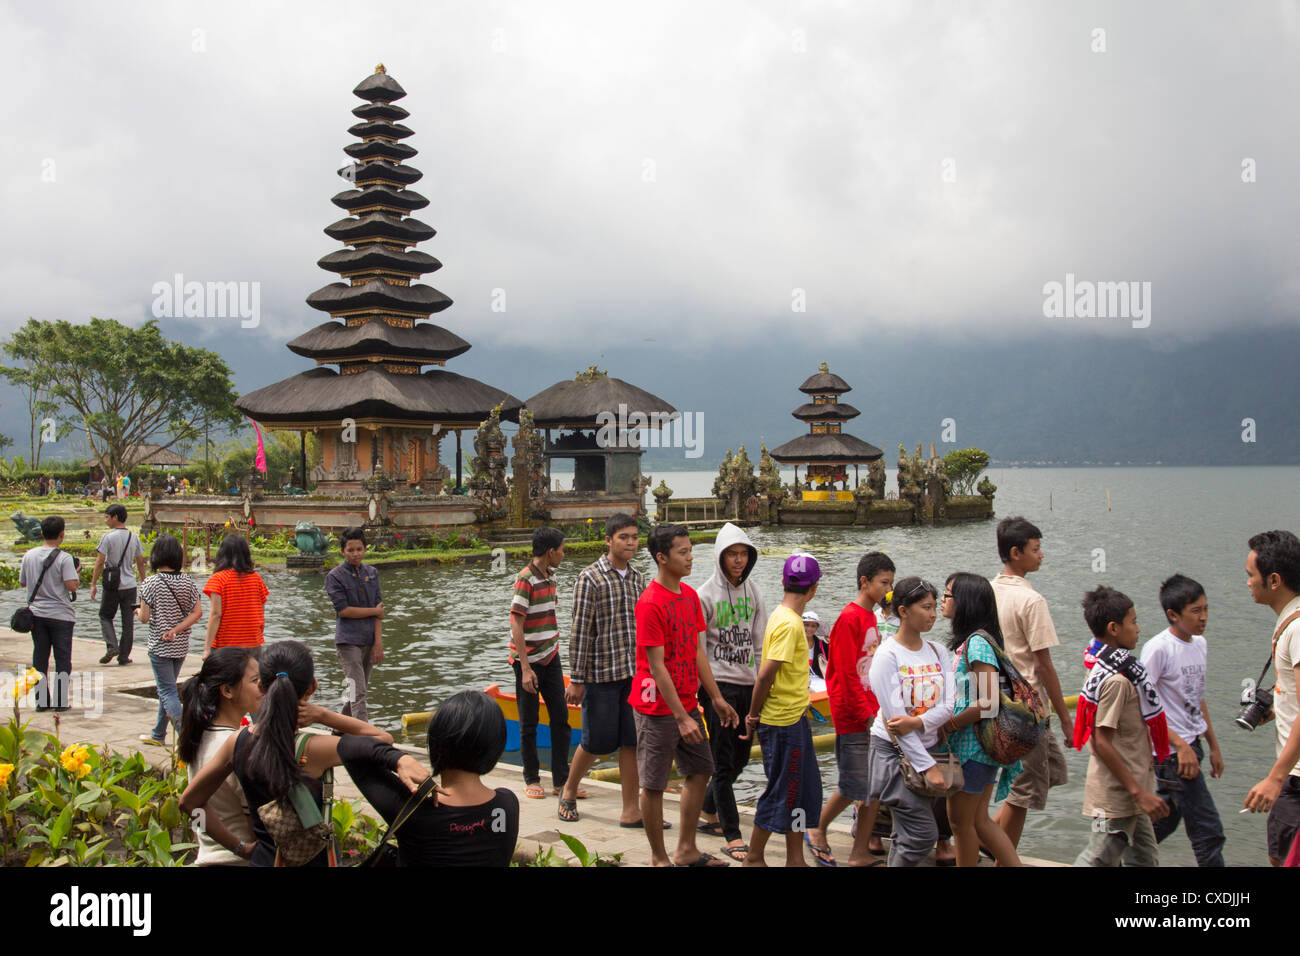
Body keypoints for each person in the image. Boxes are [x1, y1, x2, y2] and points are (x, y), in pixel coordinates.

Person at [180, 640, 428, 867]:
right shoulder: (314, 748)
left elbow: (189, 803)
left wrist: (241, 848)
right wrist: (323, 715)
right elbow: (381, 740)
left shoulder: (236, 741)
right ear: (313, 687)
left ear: (265, 688)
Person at [630, 523, 738, 866]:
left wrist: (716, 697)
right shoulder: (650, 603)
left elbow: (697, 651)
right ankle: (659, 856)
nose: (691, 558)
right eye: (683, 552)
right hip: (656, 707)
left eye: (690, 551)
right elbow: (656, 666)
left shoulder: (690, 596)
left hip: (688, 702)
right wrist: (679, 716)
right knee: (654, 783)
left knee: (701, 769)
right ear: (662, 558)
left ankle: (686, 847)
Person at [342, 690, 520, 866]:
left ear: (436, 744)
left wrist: (397, 758)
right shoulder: (507, 805)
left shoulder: (412, 811)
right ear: (495, 748)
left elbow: (347, 746)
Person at [807, 551, 894, 867]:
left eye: (891, 583)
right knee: (856, 784)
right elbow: (843, 675)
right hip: (851, 715)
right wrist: (865, 715)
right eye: (884, 582)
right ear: (865, 581)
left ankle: (856, 849)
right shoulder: (850, 618)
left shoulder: (871, 617)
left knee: (871, 786)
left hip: (870, 712)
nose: (888, 590)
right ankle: (818, 826)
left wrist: (878, 709)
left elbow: (868, 671)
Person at [990, 516, 1072, 848]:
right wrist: (1066, 718)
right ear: (1016, 553)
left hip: (999, 701)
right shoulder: (1032, 601)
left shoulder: (988, 590)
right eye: (1035, 549)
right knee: (1025, 790)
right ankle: (1001, 853)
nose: (1041, 555)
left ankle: (990, 834)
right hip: (1028, 707)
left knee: (1051, 770)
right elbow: (1044, 664)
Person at [1073, 585, 1169, 866]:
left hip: (1132, 791)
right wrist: (1138, 792)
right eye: (1134, 621)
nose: (1138, 629)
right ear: (1114, 628)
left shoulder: (1104, 666)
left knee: (1145, 860)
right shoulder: (1116, 680)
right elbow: (1101, 741)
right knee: (1098, 858)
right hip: (1118, 795)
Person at [558, 513, 645, 825]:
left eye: (634, 537)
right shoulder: (590, 577)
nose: (630, 542)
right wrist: (577, 679)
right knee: (594, 741)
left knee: (631, 741)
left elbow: (642, 628)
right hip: (600, 674)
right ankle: (568, 790)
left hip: (632, 674)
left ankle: (631, 809)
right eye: (623, 537)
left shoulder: (637, 578)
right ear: (608, 540)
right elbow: (580, 631)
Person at [743, 553, 825, 867]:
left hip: (794, 717)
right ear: (814, 588)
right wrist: (753, 716)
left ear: (783, 581)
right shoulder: (791, 624)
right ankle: (754, 857)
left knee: (804, 792)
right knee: (784, 790)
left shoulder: (780, 615)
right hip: (782, 722)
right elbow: (765, 675)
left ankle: (795, 858)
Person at [866, 577, 955, 867]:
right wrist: (927, 767)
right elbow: (895, 723)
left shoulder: (938, 651)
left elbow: (949, 706)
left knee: (907, 833)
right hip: (894, 753)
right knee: (921, 834)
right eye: (925, 607)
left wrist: (917, 724)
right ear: (903, 611)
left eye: (933, 607)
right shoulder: (887, 655)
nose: (932, 614)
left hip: (929, 748)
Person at [1139, 574, 1225, 866]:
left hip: (1192, 745)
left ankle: (1122, 856)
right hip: (1173, 753)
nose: (1204, 617)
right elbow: (1143, 704)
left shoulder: (1200, 644)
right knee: (1208, 831)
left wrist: (1212, 745)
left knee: (1165, 818)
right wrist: (1180, 745)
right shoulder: (1158, 649)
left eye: (1206, 608)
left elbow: (1197, 697)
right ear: (1173, 615)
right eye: (1196, 611)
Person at [696, 521, 768, 862]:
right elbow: (699, 651)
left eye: (743, 555)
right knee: (722, 763)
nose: (738, 561)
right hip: (718, 686)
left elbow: (758, 643)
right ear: (720, 557)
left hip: (746, 684)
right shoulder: (704, 595)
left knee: (739, 757)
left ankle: (708, 809)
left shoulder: (753, 593)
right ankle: (733, 833)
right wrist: (714, 697)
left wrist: (758, 689)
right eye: (731, 555)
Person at [942, 572, 1023, 867]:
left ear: (965, 603)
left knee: (961, 823)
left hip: (973, 748)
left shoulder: (976, 644)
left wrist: (949, 725)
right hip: (980, 746)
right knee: (978, 821)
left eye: (948, 595)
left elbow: (988, 702)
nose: (942, 600)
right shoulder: (978, 641)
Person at [1242, 530, 1300, 865]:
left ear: (1274, 580)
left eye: (1251, 575)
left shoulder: (1296, 629)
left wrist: (1276, 778)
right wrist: (1276, 709)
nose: (1248, 582)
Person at [178, 647, 264, 865]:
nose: (263, 688)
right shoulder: (239, 746)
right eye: (255, 681)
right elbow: (257, 829)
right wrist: (242, 848)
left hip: (209, 857)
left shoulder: (199, 737)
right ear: (227, 691)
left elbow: (196, 807)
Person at [509, 526, 569, 800]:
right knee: (529, 722)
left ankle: (561, 779)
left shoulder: (551, 576)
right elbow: (516, 624)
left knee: (561, 718)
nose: (563, 554)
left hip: (551, 655)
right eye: (561, 549)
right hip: (528, 660)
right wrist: (524, 668)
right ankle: (531, 777)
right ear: (550, 551)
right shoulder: (526, 579)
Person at [135, 533, 203, 745]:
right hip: (180, 645)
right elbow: (197, 613)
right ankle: (158, 734)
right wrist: (176, 629)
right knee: (168, 689)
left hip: (159, 645)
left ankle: (186, 735)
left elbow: (145, 618)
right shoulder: (187, 582)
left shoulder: (150, 583)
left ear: (156, 556)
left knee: (167, 691)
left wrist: (136, 611)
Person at [20, 516, 80, 711]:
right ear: (62, 534)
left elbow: (23, 582)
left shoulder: (28, 555)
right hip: (61, 616)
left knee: (39, 658)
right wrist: (76, 572)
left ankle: (41, 701)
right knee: (62, 659)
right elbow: (71, 585)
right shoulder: (64, 558)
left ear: (42, 533)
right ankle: (61, 702)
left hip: (37, 615)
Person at [325, 526, 384, 724]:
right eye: (351, 550)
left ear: (365, 549)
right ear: (342, 551)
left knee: (356, 690)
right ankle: (364, 738)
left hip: (368, 639)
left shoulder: (372, 573)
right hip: (348, 641)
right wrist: (374, 611)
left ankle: (340, 728)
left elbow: (379, 611)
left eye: (359, 549)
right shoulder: (334, 577)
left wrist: (378, 643)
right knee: (358, 692)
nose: (355, 554)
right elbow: (344, 611)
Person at [90, 503, 146, 666]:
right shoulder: (133, 537)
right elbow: (140, 562)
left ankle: (112, 646)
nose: (106, 520)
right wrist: (144, 582)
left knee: (105, 615)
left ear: (115, 517)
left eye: (107, 517)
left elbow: (100, 561)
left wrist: (93, 583)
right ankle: (123, 656)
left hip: (112, 584)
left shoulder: (108, 537)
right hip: (129, 585)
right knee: (127, 621)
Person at [202, 535, 269, 657]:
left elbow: (215, 614)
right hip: (253, 642)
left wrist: (207, 648)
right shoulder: (256, 578)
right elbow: (261, 609)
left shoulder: (218, 579)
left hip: (226, 645)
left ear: (222, 554)